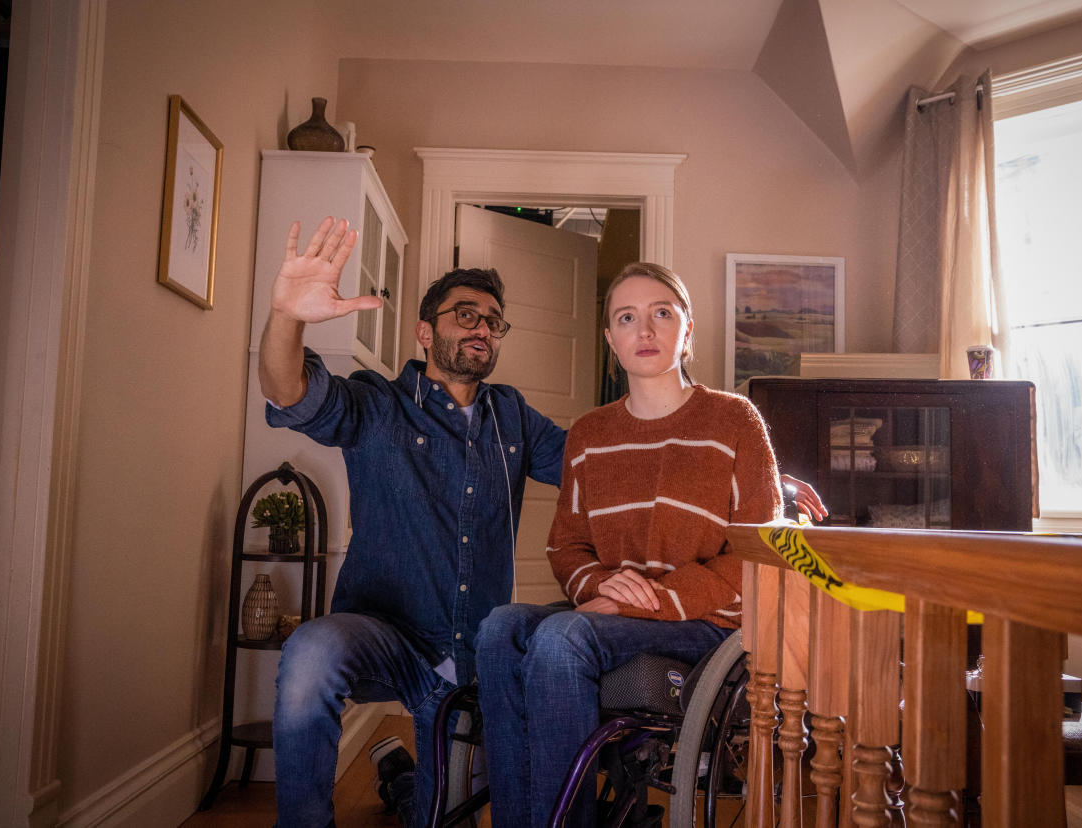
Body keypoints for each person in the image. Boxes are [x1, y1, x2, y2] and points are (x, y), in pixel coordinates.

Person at [261, 217, 565, 827]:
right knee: (310, 650)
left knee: (446, 814)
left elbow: (602, 466)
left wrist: (723, 466)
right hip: (384, 636)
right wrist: (287, 316)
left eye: (494, 321)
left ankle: (400, 776)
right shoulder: (377, 403)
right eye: (466, 315)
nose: (483, 328)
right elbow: (289, 391)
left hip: (471, 660)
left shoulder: (514, 417)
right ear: (426, 331)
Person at [474, 261, 787, 828]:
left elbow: (756, 553)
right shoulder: (590, 435)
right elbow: (567, 547)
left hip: (706, 627)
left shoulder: (734, 420)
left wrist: (641, 601)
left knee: (562, 636)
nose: (644, 330)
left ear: (686, 330)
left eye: (661, 313)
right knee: (500, 627)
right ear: (610, 338)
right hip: (610, 616)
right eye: (627, 317)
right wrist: (600, 587)